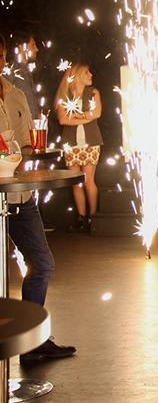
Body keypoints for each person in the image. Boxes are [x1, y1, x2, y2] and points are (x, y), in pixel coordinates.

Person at [0, 36, 76, 363]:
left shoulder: (15, 93)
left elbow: (25, 142)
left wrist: (32, 152)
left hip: (19, 194)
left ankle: (31, 343)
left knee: (42, 264)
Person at [54, 63, 103, 233]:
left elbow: (96, 113)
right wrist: (86, 117)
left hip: (91, 142)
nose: (90, 75)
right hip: (71, 143)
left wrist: (76, 115)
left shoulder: (93, 93)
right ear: (77, 76)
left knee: (88, 181)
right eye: (86, 72)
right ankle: (81, 217)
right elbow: (63, 119)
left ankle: (93, 217)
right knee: (76, 183)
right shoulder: (65, 95)